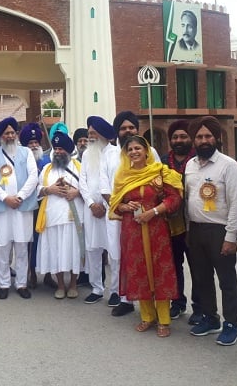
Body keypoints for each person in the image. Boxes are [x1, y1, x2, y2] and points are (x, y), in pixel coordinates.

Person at [109, 135, 183, 338]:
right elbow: (116, 203)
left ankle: (164, 319)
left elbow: (174, 198)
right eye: (130, 149)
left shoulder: (159, 172)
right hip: (132, 230)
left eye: (137, 148)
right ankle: (147, 316)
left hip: (156, 229)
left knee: (160, 271)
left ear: (146, 150)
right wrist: (126, 206)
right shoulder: (123, 176)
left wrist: (155, 211)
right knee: (138, 270)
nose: (134, 152)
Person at [185, 115, 237, 346]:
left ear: (216, 137)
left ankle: (232, 325)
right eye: (199, 136)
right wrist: (189, 230)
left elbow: (236, 203)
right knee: (201, 278)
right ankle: (211, 318)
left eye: (208, 135)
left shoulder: (229, 166)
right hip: (196, 230)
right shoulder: (190, 166)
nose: (203, 140)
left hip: (220, 231)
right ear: (194, 140)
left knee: (226, 280)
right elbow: (188, 199)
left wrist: (231, 237)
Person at [100, 110, 159, 316]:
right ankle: (123, 298)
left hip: (144, 216)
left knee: (145, 255)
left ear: (137, 129)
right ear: (117, 131)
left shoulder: (149, 151)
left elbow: (158, 180)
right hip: (118, 215)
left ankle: (150, 298)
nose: (128, 131)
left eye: (131, 127)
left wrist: (145, 208)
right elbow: (104, 188)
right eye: (123, 128)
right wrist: (121, 207)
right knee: (118, 256)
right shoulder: (108, 154)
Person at [0, 117, 38, 300]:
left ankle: (21, 283)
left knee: (22, 247)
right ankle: (4, 284)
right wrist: (5, 198)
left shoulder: (26, 153)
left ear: (16, 134)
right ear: (1, 136)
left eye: (12, 132)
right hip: (2, 208)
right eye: (6, 133)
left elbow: (33, 176)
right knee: (3, 247)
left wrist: (20, 196)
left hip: (23, 207)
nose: (9, 136)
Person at [160, 119, 201, 324]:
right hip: (170, 224)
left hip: (194, 223)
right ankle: (177, 303)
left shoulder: (198, 160)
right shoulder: (162, 162)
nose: (179, 140)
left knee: (197, 267)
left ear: (190, 138)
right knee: (174, 266)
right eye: (175, 137)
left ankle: (200, 307)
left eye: (183, 136)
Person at [36, 132, 83, 299]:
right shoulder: (47, 169)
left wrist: (76, 192)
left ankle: (73, 284)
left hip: (74, 218)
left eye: (61, 148)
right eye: (55, 148)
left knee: (73, 251)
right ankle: (61, 285)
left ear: (68, 151)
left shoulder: (79, 167)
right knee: (56, 252)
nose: (57, 152)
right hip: (53, 218)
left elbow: (88, 188)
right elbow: (37, 190)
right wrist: (50, 189)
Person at [79, 115, 116, 304]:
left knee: (114, 250)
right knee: (92, 249)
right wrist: (91, 203)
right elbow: (82, 181)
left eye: (93, 133)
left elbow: (115, 182)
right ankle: (96, 288)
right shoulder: (86, 154)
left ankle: (117, 290)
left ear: (102, 134)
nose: (90, 136)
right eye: (89, 133)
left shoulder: (116, 153)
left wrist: (104, 203)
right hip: (91, 209)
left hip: (111, 209)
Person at [20, 122, 53, 290]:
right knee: (30, 240)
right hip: (29, 206)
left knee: (47, 240)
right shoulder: (21, 161)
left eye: (36, 143)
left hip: (46, 205)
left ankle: (48, 274)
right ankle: (31, 272)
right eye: (30, 143)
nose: (34, 146)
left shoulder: (48, 161)